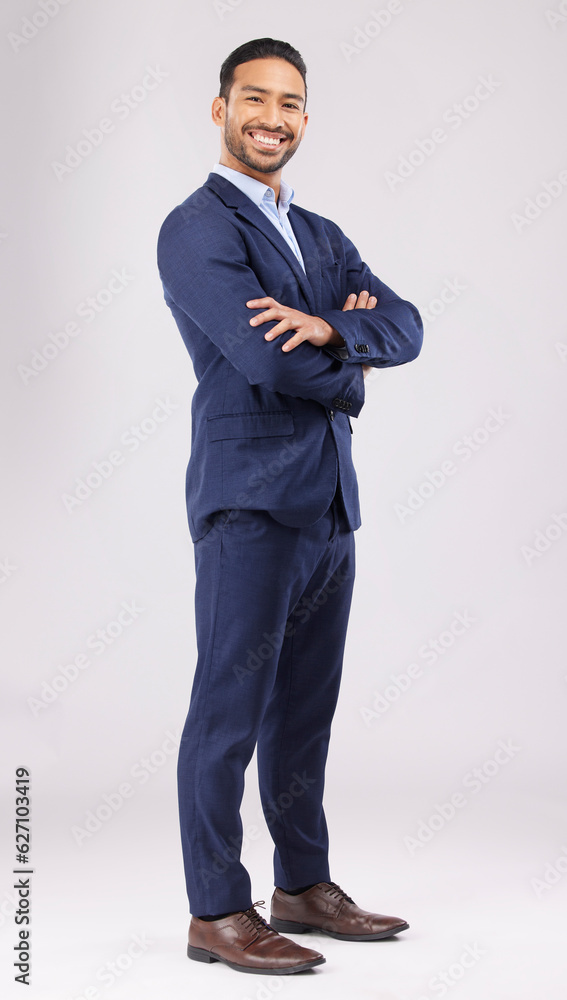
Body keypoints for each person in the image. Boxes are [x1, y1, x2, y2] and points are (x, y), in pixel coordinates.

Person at [157, 37, 423, 976]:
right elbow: (267, 357)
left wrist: (335, 325)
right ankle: (214, 910)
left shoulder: (321, 234)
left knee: (305, 710)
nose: (273, 117)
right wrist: (350, 365)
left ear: (306, 117)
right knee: (228, 707)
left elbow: (408, 324)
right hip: (249, 503)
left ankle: (300, 885)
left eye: (291, 103)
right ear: (220, 107)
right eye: (254, 98)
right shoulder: (197, 228)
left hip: (328, 506)